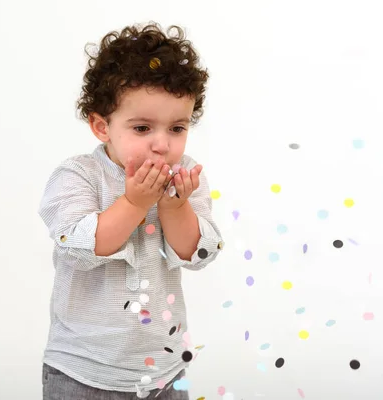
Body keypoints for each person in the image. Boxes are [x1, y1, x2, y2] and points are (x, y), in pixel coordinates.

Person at [37, 22, 224, 400]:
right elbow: (82, 248)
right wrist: (135, 202)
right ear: (101, 126)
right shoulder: (78, 176)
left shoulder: (185, 176)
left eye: (177, 127)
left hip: (164, 368)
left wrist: (175, 206)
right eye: (142, 128)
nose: (162, 144)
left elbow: (196, 255)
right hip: (83, 369)